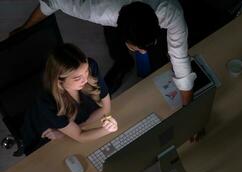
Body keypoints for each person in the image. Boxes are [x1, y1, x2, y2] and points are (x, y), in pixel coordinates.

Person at [11, 0, 197, 105]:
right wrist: (25, 29)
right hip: (112, 9)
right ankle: (123, 64)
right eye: (137, 48)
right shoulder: (96, 10)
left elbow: (179, 56)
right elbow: (54, 1)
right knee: (120, 52)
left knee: (161, 59)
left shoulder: (170, 11)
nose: (141, 51)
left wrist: (188, 108)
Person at [21, 43, 118, 155]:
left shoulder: (91, 66)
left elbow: (106, 109)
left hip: (70, 125)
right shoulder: (47, 102)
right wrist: (107, 130)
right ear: (60, 81)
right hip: (46, 133)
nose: (85, 79)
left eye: (86, 71)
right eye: (77, 78)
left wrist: (64, 133)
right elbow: (80, 137)